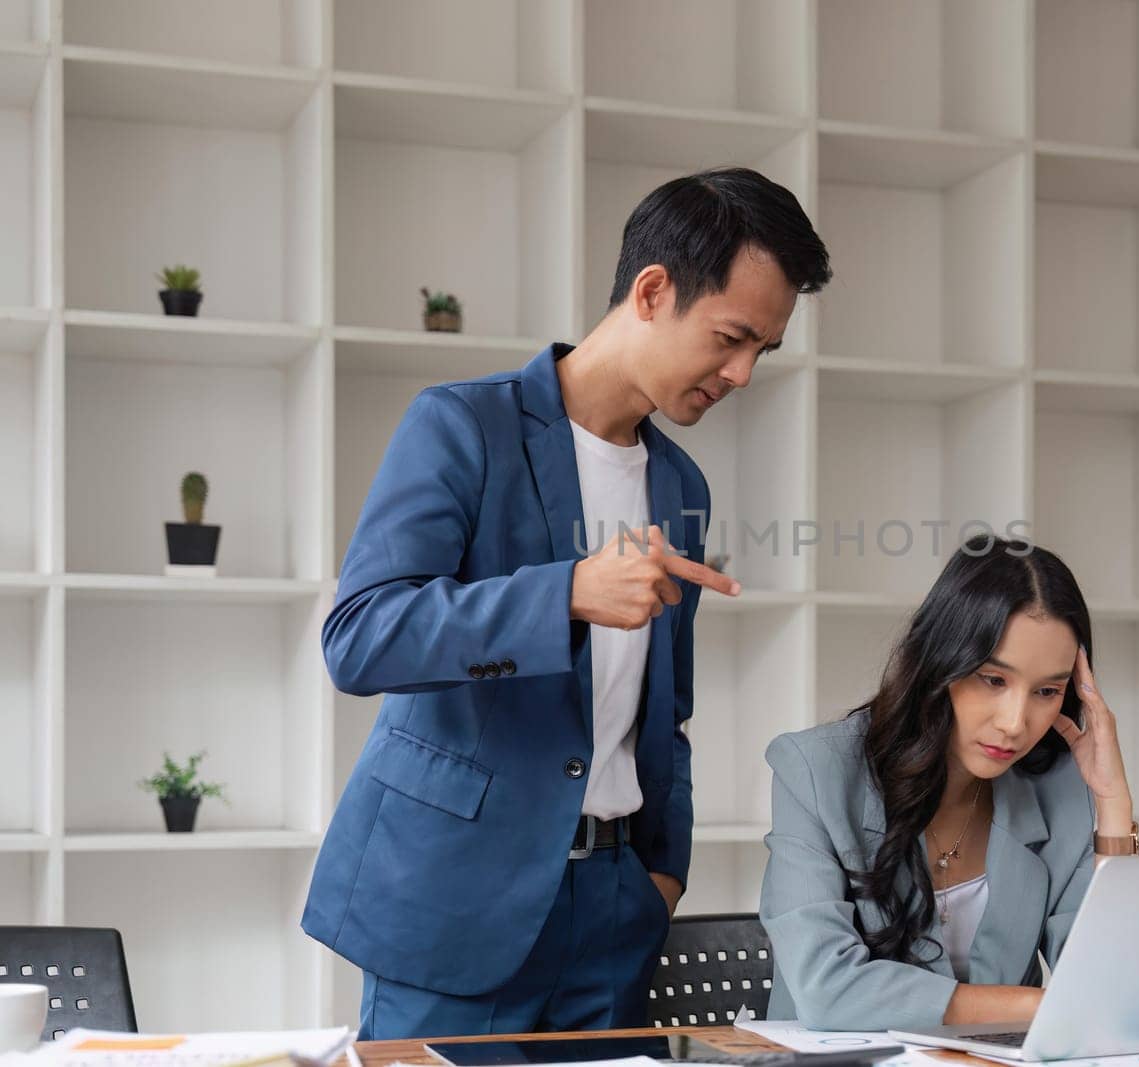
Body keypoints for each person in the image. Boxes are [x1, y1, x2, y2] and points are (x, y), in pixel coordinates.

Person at [301, 167, 831, 1040]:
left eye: (762, 351)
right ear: (652, 290)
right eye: (732, 337)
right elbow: (359, 639)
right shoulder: (462, 426)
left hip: (616, 914)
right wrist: (568, 593)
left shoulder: (680, 483)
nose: (741, 374)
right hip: (457, 902)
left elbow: (669, 710)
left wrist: (663, 872)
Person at [760, 537, 1139, 1030]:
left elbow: (1115, 986)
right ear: (941, 661)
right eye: (993, 679)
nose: (1015, 722)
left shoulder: (1059, 784)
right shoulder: (815, 770)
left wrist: (1112, 804)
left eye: (1047, 691)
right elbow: (826, 991)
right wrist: (1043, 1007)